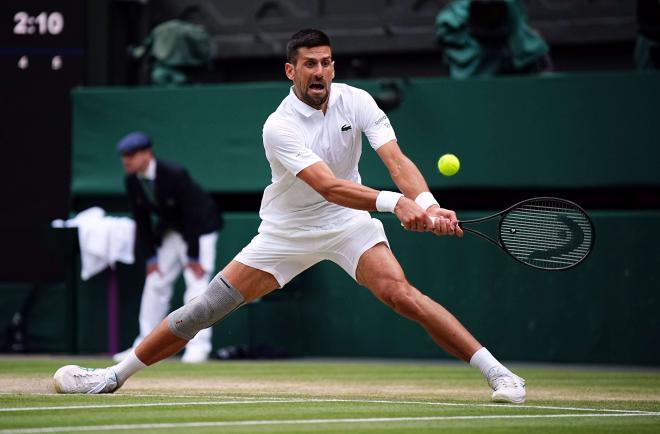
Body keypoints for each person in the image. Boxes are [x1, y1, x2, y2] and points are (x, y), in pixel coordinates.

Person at [53, 29, 526, 404]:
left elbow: (397, 160)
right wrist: (393, 204)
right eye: (309, 64)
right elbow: (328, 185)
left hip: (348, 226)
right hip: (287, 231)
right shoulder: (278, 126)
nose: (319, 72)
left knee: (404, 296)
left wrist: (425, 205)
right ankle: (112, 377)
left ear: (333, 66)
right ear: (290, 70)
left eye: (326, 62)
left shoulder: (357, 101)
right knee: (204, 309)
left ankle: (500, 375)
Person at [111, 132, 223, 363]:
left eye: (131, 154)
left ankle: (198, 348)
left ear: (147, 153)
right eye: (124, 155)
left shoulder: (174, 174)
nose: (126, 160)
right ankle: (143, 346)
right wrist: (150, 258)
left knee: (197, 284)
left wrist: (193, 255)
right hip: (172, 230)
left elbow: (192, 216)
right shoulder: (132, 181)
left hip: (199, 229)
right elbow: (141, 220)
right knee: (155, 281)